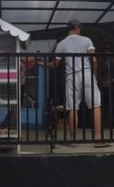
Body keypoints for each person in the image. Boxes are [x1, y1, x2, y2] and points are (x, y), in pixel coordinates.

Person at [39, 19, 106, 147]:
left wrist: (39, 63)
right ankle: (97, 138)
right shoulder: (87, 40)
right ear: (77, 27)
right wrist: (95, 75)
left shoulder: (61, 44)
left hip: (71, 77)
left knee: (73, 108)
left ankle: (72, 139)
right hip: (86, 74)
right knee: (96, 105)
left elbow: (54, 64)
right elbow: (94, 60)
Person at [98, 45, 114, 132]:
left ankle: (113, 126)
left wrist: (110, 81)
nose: (107, 52)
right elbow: (97, 73)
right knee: (102, 106)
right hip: (103, 87)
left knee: (113, 107)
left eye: (108, 50)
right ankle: (101, 125)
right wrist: (101, 81)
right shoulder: (101, 62)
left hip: (113, 88)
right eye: (105, 50)